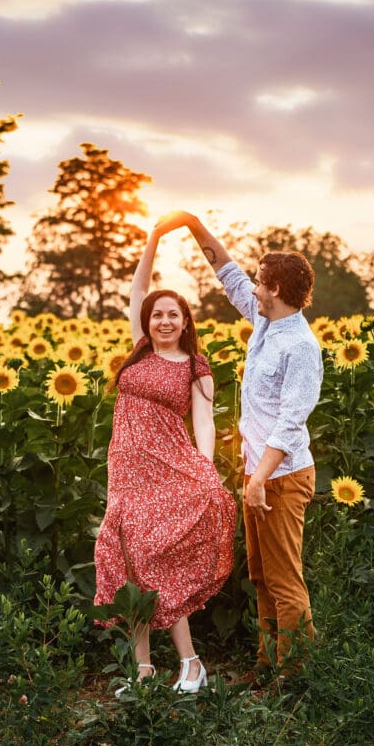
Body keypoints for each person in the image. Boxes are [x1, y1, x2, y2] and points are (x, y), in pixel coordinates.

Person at [154, 212, 323, 678]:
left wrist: (259, 480)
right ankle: (268, 664)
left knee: (285, 582)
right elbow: (228, 273)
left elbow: (291, 426)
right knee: (261, 578)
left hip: (282, 478)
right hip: (260, 474)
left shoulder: (301, 348)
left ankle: (296, 677)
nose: (254, 289)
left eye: (261, 283)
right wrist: (190, 224)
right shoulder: (267, 323)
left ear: (278, 291)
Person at [93, 225, 236, 694]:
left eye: (173, 315)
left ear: (185, 321)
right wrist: (153, 238)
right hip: (126, 474)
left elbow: (205, 424)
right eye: (158, 315)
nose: (164, 322)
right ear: (148, 321)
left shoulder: (197, 367)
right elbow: (137, 288)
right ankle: (143, 671)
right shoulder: (139, 350)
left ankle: (190, 663)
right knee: (129, 562)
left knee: (156, 565)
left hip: (168, 470)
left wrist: (206, 469)